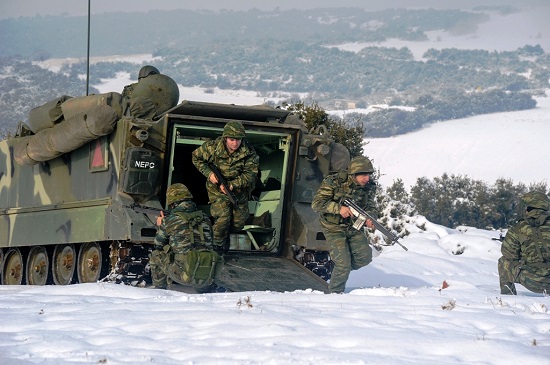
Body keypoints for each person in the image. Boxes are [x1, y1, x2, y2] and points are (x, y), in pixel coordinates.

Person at [311, 156, 378, 294]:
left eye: (369, 175)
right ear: (354, 173)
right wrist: (338, 209)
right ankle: (335, 294)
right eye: (364, 175)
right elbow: (316, 204)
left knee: (364, 258)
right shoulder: (334, 182)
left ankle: (339, 269)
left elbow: (370, 205)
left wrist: (371, 218)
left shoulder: (369, 187)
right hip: (333, 228)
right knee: (343, 264)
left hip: (354, 226)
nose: (367, 179)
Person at [192, 121, 259, 252]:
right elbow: (196, 158)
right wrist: (209, 174)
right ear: (225, 138)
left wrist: (233, 185)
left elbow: (251, 174)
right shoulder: (212, 147)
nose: (235, 143)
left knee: (239, 223)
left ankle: (225, 237)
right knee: (223, 218)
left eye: (238, 140)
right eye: (232, 139)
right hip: (216, 190)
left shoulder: (249, 152)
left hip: (239, 190)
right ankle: (215, 247)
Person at [149, 183, 224, 293]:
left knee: (155, 254)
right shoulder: (205, 218)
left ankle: (159, 291)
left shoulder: (170, 220)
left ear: (172, 202)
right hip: (206, 274)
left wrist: (160, 225)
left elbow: (158, 244)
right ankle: (204, 289)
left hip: (183, 275)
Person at [498, 191, 550, 295]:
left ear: (529, 209)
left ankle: (508, 297)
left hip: (532, 281)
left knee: (503, 262)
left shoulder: (518, 228)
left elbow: (508, 254)